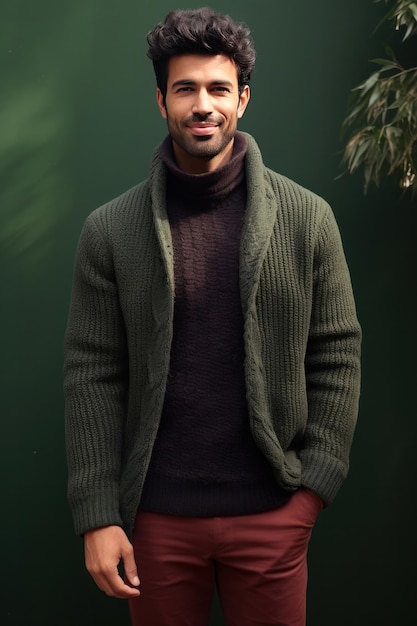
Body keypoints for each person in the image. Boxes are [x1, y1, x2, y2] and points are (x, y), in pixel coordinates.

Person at [64, 7, 361, 626]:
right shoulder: (109, 231)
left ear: (243, 99)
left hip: (273, 516)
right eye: (185, 88)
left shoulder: (308, 220)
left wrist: (312, 492)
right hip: (156, 523)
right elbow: (92, 375)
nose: (203, 104)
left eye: (219, 88)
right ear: (160, 100)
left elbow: (337, 351)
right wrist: (98, 513)